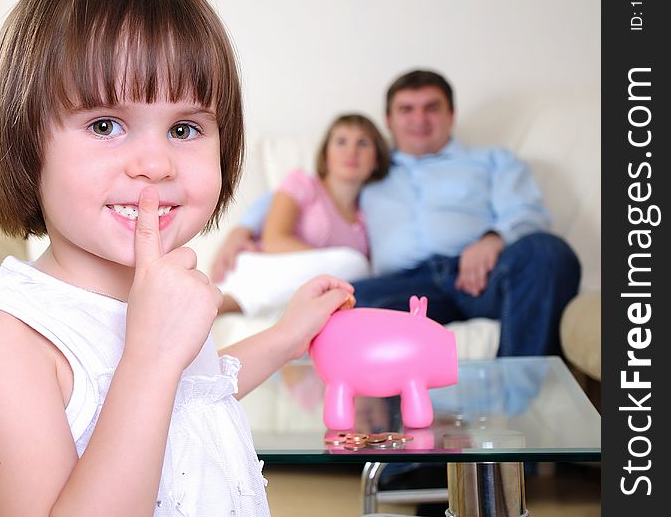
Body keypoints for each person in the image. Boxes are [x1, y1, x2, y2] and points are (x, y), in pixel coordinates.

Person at [0, 0, 355, 517]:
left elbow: (198, 393)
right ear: (24, 142)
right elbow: (154, 380)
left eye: (185, 128)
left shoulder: (155, 292)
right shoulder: (1, 337)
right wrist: (151, 357)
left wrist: (286, 337)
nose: (155, 164)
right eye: (105, 125)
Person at [211, 69, 581, 357]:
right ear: (389, 120)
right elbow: (305, 189)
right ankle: (399, 454)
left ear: (451, 115)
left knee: (549, 252)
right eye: (406, 109)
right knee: (348, 305)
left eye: (431, 107)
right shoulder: (372, 169)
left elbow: (527, 212)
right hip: (404, 284)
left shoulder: (492, 161)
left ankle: (520, 424)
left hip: (481, 274)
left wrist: (493, 240)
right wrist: (242, 227)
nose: (419, 118)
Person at [217, 113, 390, 315]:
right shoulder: (301, 183)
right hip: (264, 270)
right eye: (341, 142)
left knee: (358, 267)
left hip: (299, 293)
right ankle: (227, 302)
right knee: (355, 263)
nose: (351, 151)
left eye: (362, 143)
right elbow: (274, 240)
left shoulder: (366, 217)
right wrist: (332, 262)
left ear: (376, 160)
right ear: (326, 155)